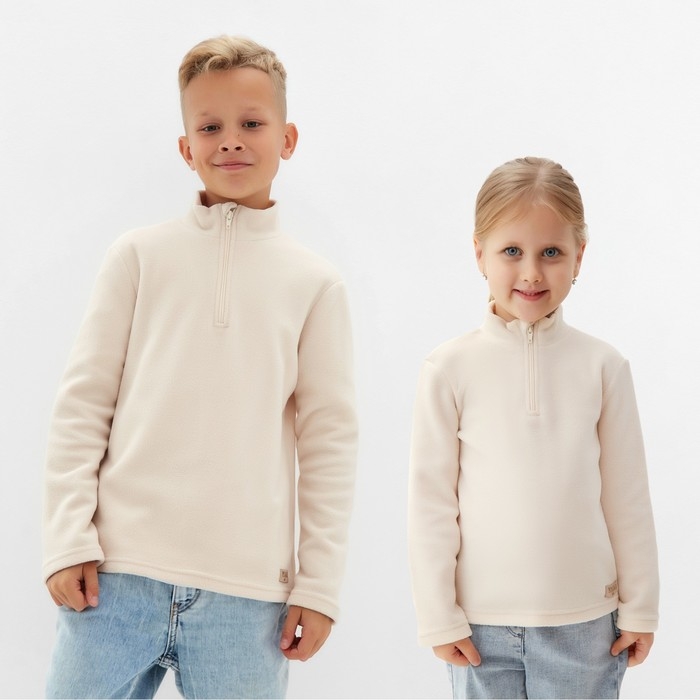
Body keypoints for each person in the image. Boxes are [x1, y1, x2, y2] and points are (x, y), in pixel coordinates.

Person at [42, 35, 357, 699]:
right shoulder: (138, 257)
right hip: (115, 578)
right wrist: (68, 538)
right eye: (210, 127)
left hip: (246, 600)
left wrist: (319, 586)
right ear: (186, 148)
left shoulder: (315, 284)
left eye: (252, 124)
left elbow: (329, 444)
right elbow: (83, 404)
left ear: (287, 138)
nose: (230, 141)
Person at [407, 157, 659, 699]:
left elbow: (628, 499)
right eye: (511, 252)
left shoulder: (603, 367)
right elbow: (431, 505)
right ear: (479, 253)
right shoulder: (448, 368)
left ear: (579, 255)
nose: (531, 273)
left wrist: (640, 607)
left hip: (586, 628)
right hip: (479, 629)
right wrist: (438, 616)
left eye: (551, 253)